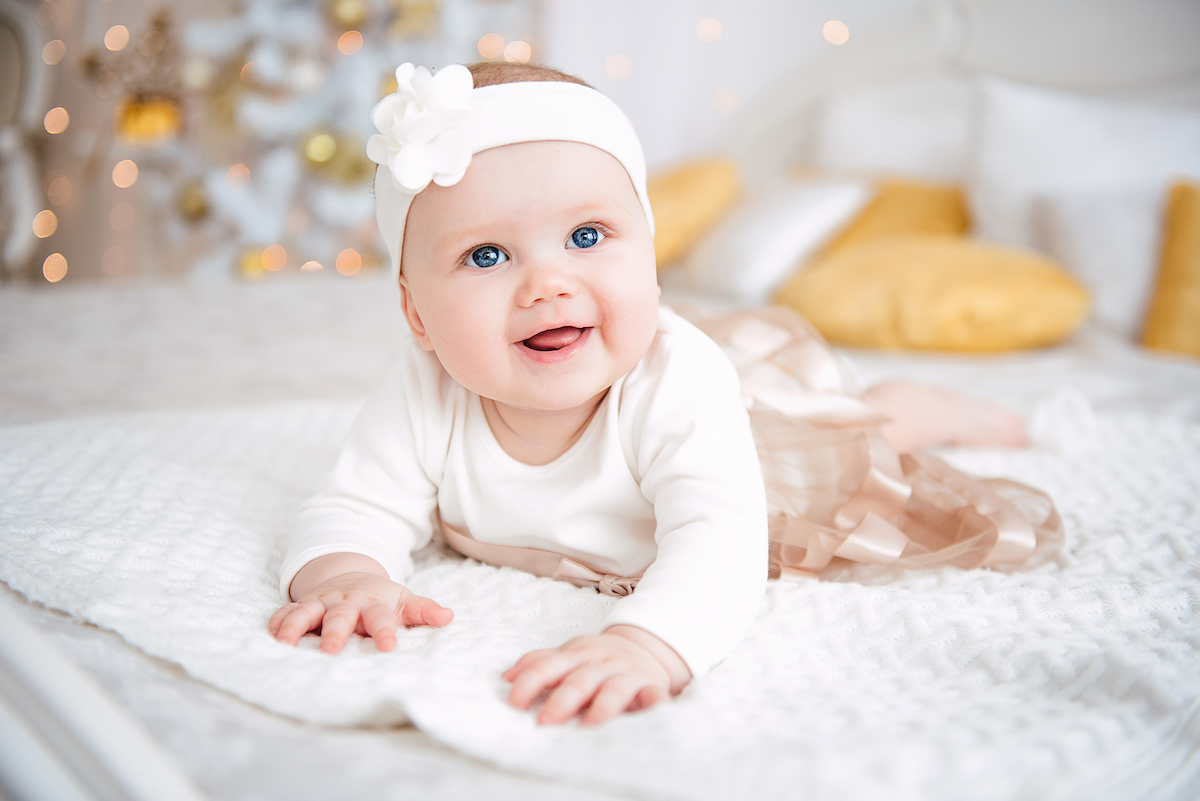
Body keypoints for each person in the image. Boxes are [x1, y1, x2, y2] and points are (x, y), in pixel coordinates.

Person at [269, 61, 1060, 726]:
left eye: (587, 237)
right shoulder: (424, 388)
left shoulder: (676, 380)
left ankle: (924, 401)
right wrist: (346, 574)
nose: (548, 283)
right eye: (485, 255)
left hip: (765, 474)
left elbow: (719, 541)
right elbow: (355, 504)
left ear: (648, 255)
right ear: (417, 313)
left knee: (868, 438)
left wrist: (647, 642)